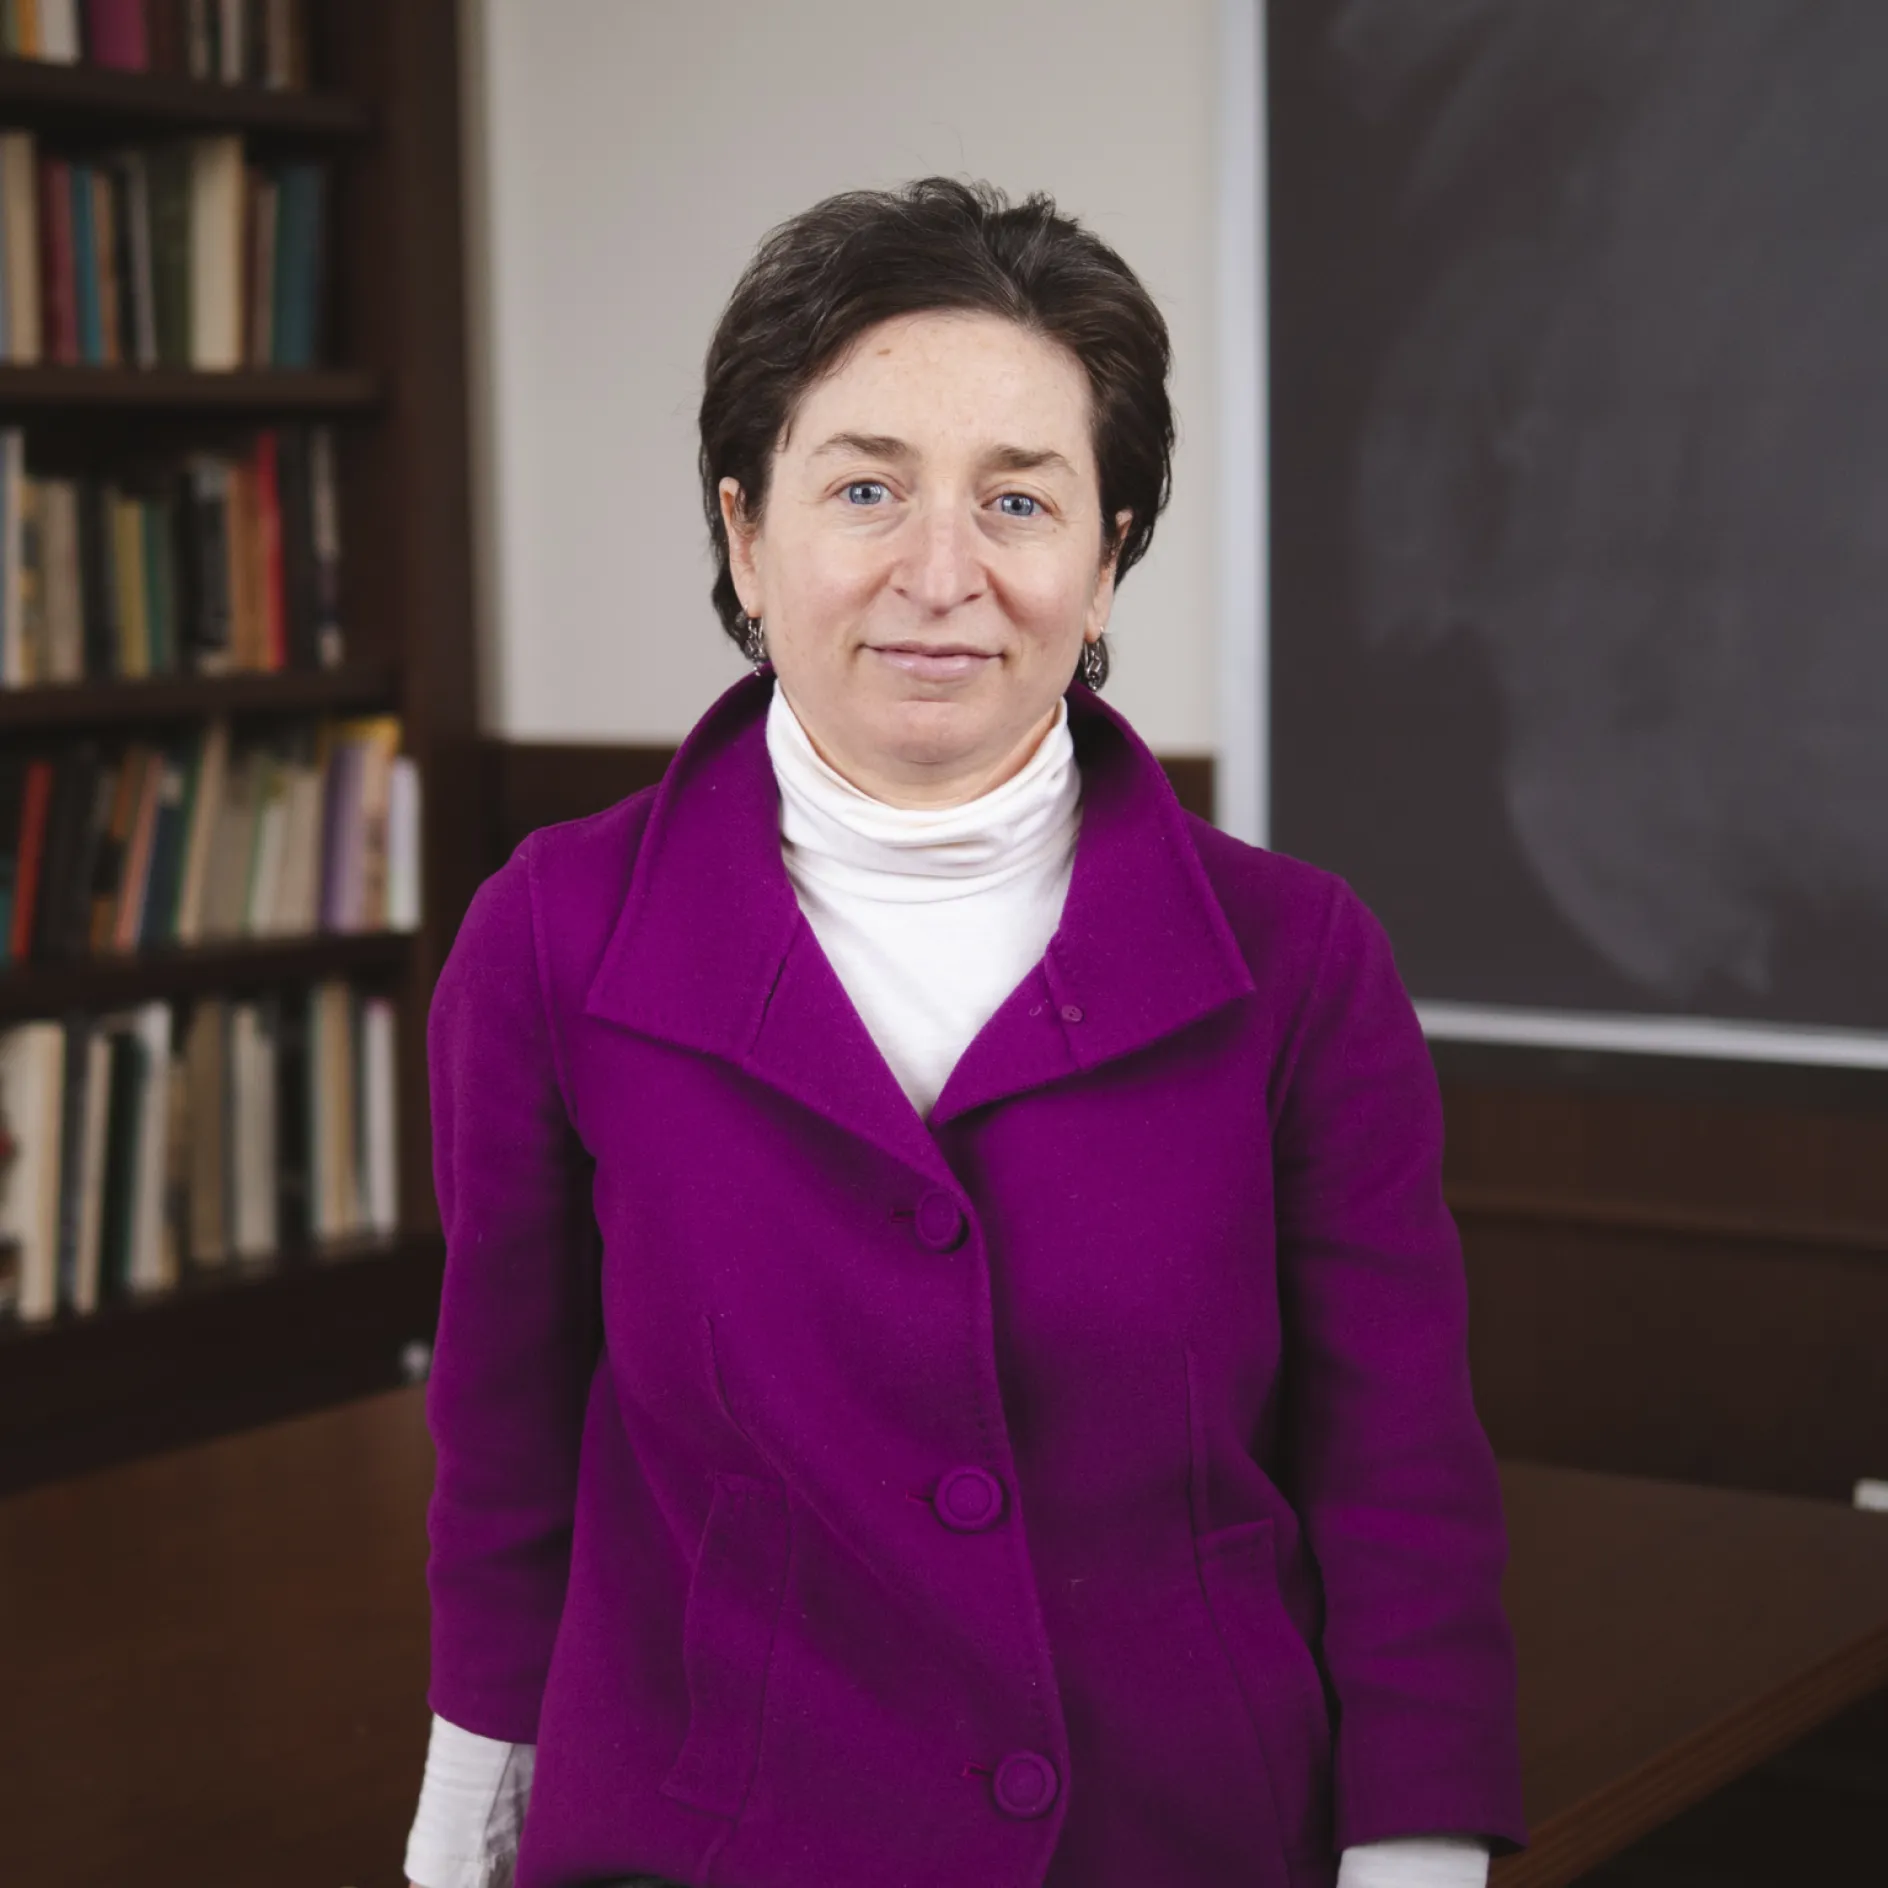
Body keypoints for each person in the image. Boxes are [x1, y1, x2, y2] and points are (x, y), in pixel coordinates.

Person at [403, 177, 1527, 1888]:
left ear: (1109, 555)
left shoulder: (1301, 960)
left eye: (1020, 499)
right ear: (744, 535)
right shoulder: (551, 935)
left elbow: (1400, 1492)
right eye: (865, 489)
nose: (943, 574)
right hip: (711, 1848)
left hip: (1191, 1843)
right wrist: (456, 1844)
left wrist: (1416, 1863)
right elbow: (507, 1461)